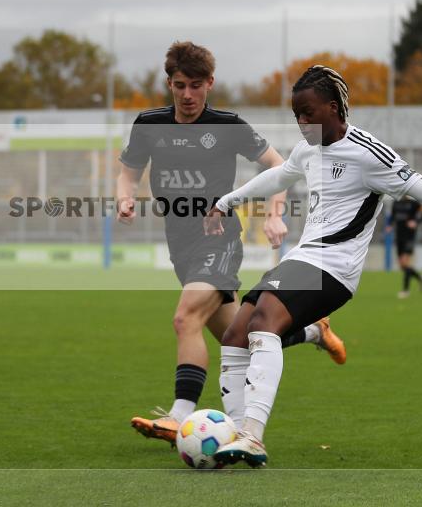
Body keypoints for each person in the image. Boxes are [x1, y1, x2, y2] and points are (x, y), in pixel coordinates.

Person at [203, 66, 422, 467]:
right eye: (296, 115)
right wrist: (226, 202)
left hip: (335, 267)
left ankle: (252, 436)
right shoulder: (307, 150)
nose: (301, 122)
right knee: (235, 334)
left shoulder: (369, 153)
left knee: (264, 321)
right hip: (303, 258)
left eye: (308, 113)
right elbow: (279, 177)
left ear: (333, 108)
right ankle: (234, 437)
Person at [117, 42, 346, 446]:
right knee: (239, 337)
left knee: (185, 318)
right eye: (180, 85)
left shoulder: (227, 125)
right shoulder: (149, 124)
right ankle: (313, 331)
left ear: (210, 83)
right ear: (169, 84)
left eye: (196, 86)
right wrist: (125, 196)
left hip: (218, 239)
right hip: (180, 246)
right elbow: (129, 171)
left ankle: (179, 415)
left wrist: (274, 214)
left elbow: (278, 165)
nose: (188, 95)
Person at [387, 196, 422, 298]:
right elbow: (392, 216)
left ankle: (405, 291)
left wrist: (416, 222)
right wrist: (390, 225)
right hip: (399, 237)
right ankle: (420, 277)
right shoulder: (396, 202)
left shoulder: (413, 203)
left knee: (405, 262)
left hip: (409, 237)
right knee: (402, 265)